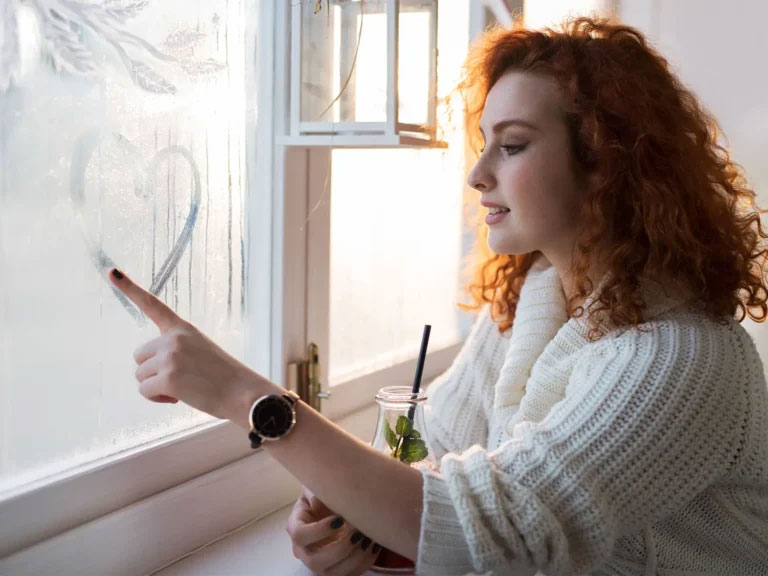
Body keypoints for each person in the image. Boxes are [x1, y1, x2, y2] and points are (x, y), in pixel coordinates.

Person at [109, 16, 768, 576]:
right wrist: (355, 524)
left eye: (512, 145)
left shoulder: (682, 358)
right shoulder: (534, 301)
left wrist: (243, 396)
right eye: (485, 145)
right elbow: (439, 453)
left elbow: (504, 532)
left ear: (605, 163)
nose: (479, 174)